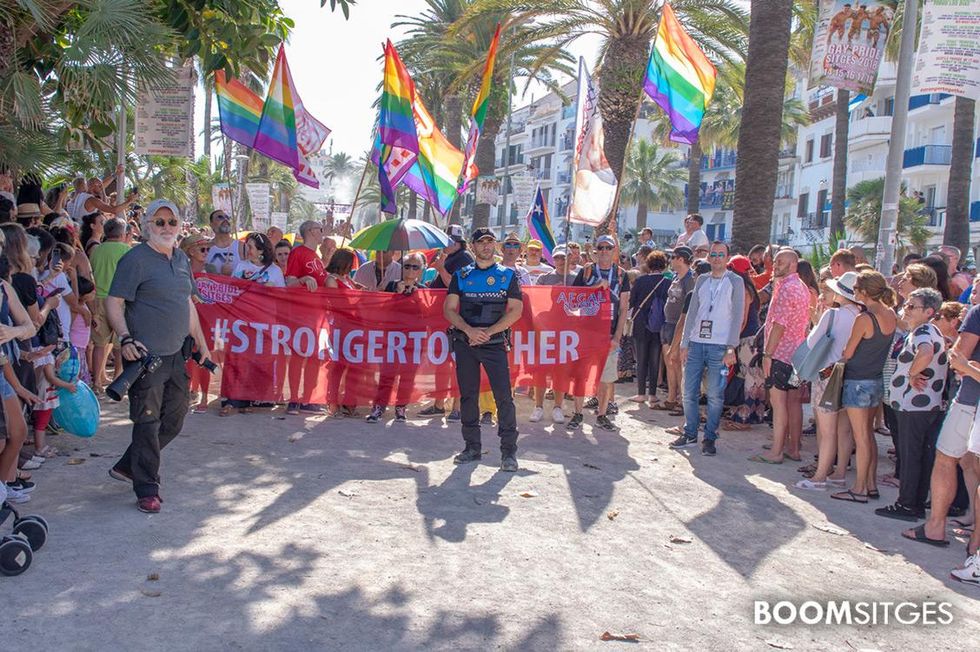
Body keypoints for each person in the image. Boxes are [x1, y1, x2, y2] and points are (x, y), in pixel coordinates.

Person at [105, 199, 213, 514]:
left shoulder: (180, 259)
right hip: (144, 357)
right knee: (148, 421)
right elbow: (114, 302)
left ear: (179, 226)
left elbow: (187, 305)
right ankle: (147, 488)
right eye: (159, 221)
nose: (166, 227)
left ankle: (130, 465)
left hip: (177, 355)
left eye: (171, 221)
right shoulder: (135, 259)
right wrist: (125, 338)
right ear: (147, 225)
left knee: (175, 418)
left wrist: (202, 344)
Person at [443, 228, 523, 471]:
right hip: (466, 343)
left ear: (495, 245)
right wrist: (468, 330)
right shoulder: (461, 275)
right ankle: (471, 448)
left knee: (504, 398)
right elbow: (449, 309)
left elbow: (516, 311)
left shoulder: (507, 276)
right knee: (468, 396)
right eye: (481, 242)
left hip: (495, 344)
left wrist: (488, 332)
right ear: (473, 246)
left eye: (490, 242)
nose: (486, 246)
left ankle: (508, 453)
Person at [903, 303, 980, 547]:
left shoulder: (977, 313)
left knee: (946, 457)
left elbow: (959, 357)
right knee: (969, 463)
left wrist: (962, 363)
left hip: (970, 400)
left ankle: (936, 526)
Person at [875, 288, 947, 521]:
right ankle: (914, 503)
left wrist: (913, 372)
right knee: (917, 456)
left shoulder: (923, 332)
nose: (906, 309)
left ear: (929, 311)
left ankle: (906, 504)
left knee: (910, 455)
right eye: (906, 304)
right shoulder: (925, 330)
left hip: (914, 406)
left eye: (911, 306)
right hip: (921, 406)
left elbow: (925, 352)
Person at [671, 242, 743, 456]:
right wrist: (684, 343)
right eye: (714, 254)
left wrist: (731, 347)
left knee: (714, 394)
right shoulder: (701, 280)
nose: (717, 258)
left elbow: (737, 315)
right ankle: (690, 433)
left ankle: (710, 437)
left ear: (727, 257)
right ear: (709, 257)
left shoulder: (735, 281)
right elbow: (691, 314)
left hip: (719, 346)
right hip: (696, 343)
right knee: (689, 392)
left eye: (721, 255)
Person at [832, 271, 897, 504]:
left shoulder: (865, 319)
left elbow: (848, 352)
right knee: (868, 436)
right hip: (876, 380)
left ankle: (859, 489)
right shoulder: (890, 314)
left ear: (865, 292)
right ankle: (870, 485)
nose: (855, 292)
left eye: (857, 288)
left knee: (861, 438)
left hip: (858, 381)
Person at [794, 270, 862, 491]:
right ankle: (839, 472)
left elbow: (812, 342)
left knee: (826, 430)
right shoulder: (861, 317)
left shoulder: (833, 315)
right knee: (844, 429)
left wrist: (815, 322)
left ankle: (820, 476)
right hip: (850, 374)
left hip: (828, 374)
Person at [752, 250, 811, 464]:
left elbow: (779, 325)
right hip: (796, 353)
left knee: (779, 403)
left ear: (793, 264)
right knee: (793, 402)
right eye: (776, 261)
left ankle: (776, 451)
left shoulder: (787, 288)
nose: (776, 265)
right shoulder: (801, 287)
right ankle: (792, 448)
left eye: (781, 262)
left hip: (782, 354)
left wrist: (768, 354)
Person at [569, 234, 630, 432]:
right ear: (596, 251)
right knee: (581, 375)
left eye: (608, 248)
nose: (604, 251)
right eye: (600, 248)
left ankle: (602, 415)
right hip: (585, 332)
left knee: (605, 378)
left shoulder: (622, 275)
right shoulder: (586, 272)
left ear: (614, 251)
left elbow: (623, 309)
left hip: (608, 333)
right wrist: (596, 287)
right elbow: (573, 301)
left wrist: (617, 337)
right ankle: (578, 413)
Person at [366, 252, 427, 424]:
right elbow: (380, 309)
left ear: (421, 270)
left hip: (413, 339)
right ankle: (379, 406)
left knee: (408, 375)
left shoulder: (423, 290)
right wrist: (396, 296)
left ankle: (401, 407)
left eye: (415, 267)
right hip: (392, 337)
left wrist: (417, 299)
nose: (410, 270)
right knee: (387, 373)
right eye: (407, 266)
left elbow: (429, 314)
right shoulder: (392, 286)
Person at [89, 217, 131, 394]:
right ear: (122, 233)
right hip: (119, 300)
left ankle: (97, 382)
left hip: (98, 299)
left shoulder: (96, 250)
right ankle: (117, 380)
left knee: (99, 344)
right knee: (120, 344)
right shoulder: (126, 250)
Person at [722, 255, 765, 430]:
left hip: (746, 339)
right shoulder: (749, 287)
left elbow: (742, 318)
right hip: (751, 338)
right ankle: (755, 414)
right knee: (753, 377)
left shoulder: (742, 289)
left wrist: (731, 340)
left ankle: (744, 416)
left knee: (748, 376)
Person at [628, 251, 670, 407]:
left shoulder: (640, 281)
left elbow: (631, 302)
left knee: (641, 359)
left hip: (640, 324)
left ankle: (641, 393)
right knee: (654, 359)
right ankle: (652, 394)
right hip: (659, 325)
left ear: (648, 264)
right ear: (664, 265)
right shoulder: (667, 282)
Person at [656, 246, 694, 414]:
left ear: (681, 259)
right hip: (667, 323)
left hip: (680, 326)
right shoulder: (676, 277)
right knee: (669, 363)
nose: (670, 260)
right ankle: (671, 398)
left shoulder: (690, 280)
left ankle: (681, 401)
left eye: (673, 257)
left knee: (678, 363)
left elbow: (689, 308)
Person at [428, 224, 474, 290]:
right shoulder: (452, 256)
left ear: (455, 243)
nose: (443, 244)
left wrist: (441, 269)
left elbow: (457, 286)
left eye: (445, 241)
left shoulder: (463, 257)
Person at [204, 210, 242, 275]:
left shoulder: (242, 247)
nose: (225, 220)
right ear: (211, 225)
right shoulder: (204, 248)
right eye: (220, 217)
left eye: (227, 217)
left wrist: (231, 275)